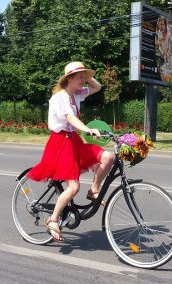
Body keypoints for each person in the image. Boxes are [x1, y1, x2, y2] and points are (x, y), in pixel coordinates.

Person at [27, 61, 114, 242]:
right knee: (73, 187)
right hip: (61, 143)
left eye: (84, 77)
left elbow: (97, 87)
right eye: (80, 77)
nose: (84, 80)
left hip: (74, 140)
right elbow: (70, 117)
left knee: (108, 156)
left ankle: (94, 190)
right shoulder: (60, 97)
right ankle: (53, 219)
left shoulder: (77, 94)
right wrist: (86, 129)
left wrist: (88, 75)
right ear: (70, 79)